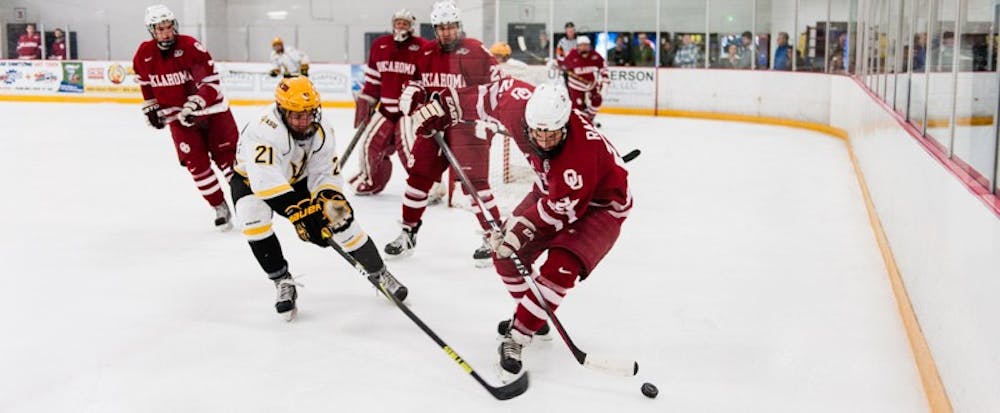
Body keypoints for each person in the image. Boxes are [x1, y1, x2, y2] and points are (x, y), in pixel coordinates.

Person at [403, 80, 632, 376]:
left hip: (602, 207)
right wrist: (438, 105)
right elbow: (484, 96)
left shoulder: (578, 159)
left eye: (552, 134)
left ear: (565, 125)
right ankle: (535, 317)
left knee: (561, 266)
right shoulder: (517, 106)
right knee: (505, 258)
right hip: (549, 188)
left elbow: (557, 212)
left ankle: (519, 334)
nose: (544, 140)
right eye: (538, 132)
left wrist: (517, 231)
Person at [231, 76, 409, 321]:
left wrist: (328, 199)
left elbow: (324, 173)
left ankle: (379, 273)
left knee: (340, 216)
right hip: (251, 180)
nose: (304, 121)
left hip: (299, 178)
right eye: (296, 115)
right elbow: (266, 181)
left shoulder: (322, 127)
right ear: (282, 110)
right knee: (253, 221)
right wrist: (300, 214)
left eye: (309, 113)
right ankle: (282, 280)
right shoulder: (264, 130)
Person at [386, 0, 501, 266]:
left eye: (450, 27)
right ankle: (408, 232)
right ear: (435, 29)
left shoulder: (476, 51)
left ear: (458, 26)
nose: (446, 32)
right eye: (441, 28)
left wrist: (489, 119)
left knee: (476, 185)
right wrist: (412, 94)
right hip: (433, 129)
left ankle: (494, 235)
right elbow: (416, 82)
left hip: (468, 130)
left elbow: (497, 87)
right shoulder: (426, 53)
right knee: (418, 178)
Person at [132, 4, 237, 230]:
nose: (166, 33)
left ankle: (246, 203)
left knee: (228, 161)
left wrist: (194, 105)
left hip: (212, 113)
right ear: (152, 30)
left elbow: (209, 83)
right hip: (179, 120)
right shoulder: (144, 54)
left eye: (169, 27)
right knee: (196, 166)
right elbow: (146, 84)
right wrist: (151, 107)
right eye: (160, 29)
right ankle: (219, 205)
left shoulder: (190, 47)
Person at [349, 9, 430, 196]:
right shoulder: (380, 46)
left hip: (408, 111)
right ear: (393, 24)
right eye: (398, 22)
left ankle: (424, 185)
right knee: (369, 145)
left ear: (411, 26)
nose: (401, 26)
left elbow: (426, 81)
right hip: (385, 109)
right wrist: (368, 100)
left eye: (405, 23)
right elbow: (374, 80)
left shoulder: (422, 47)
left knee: (411, 150)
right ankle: (371, 180)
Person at [557, 35, 609, 121]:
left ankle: (590, 118)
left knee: (597, 100)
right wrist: (558, 65)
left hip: (591, 84)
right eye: (581, 45)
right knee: (577, 105)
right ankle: (580, 121)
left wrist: (605, 78)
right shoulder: (572, 54)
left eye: (586, 45)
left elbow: (604, 67)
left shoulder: (595, 56)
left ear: (589, 46)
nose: (584, 47)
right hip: (575, 85)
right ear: (577, 47)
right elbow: (563, 65)